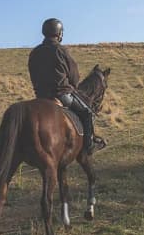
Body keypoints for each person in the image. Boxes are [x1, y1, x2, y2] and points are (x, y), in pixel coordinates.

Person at [28, 18, 96, 154]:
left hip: (40, 97)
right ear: (59, 33)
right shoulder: (61, 50)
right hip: (62, 95)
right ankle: (88, 146)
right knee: (87, 113)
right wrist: (72, 85)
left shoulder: (34, 52)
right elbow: (74, 76)